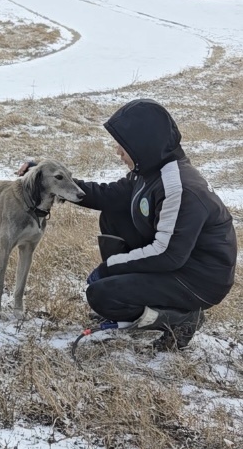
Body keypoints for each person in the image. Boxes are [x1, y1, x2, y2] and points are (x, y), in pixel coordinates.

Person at [21, 99, 236, 350]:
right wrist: (48, 179)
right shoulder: (150, 170)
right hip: (180, 263)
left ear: (143, 144)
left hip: (199, 280)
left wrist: (110, 267)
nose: (118, 152)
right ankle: (131, 298)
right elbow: (107, 195)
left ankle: (183, 318)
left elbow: (168, 254)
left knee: (101, 295)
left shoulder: (179, 187)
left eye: (123, 146)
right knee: (114, 213)